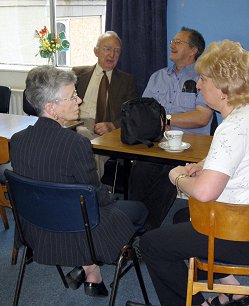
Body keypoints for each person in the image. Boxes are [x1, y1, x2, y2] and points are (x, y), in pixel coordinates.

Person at [126, 40, 249, 306]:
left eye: (203, 79)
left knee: (151, 245)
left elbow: (205, 192)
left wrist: (177, 176)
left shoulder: (233, 127)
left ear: (223, 87)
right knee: (183, 215)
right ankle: (232, 290)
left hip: (246, 236)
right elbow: (240, 152)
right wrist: (207, 164)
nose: (199, 85)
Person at [10, 66, 148, 298]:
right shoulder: (75, 144)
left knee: (78, 208)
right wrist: (110, 197)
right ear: (51, 107)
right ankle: (94, 262)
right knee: (139, 209)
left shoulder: (18, 140)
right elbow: (97, 198)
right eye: (73, 96)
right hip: (78, 235)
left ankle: (90, 270)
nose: (79, 99)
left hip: (35, 233)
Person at [128, 27, 213, 230]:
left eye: (178, 42)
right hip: (157, 142)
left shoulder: (203, 79)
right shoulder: (157, 77)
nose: (172, 45)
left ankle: (148, 231)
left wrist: (165, 119)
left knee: (168, 172)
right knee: (140, 169)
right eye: (172, 41)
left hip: (191, 146)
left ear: (193, 50)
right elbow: (144, 112)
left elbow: (202, 117)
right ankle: (130, 224)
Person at [72, 31, 137, 177]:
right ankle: (96, 192)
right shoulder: (78, 74)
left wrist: (112, 125)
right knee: (84, 137)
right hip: (78, 125)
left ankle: (92, 193)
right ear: (96, 51)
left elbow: (132, 114)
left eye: (117, 51)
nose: (112, 55)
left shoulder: (126, 81)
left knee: (95, 149)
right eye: (107, 49)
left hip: (107, 132)